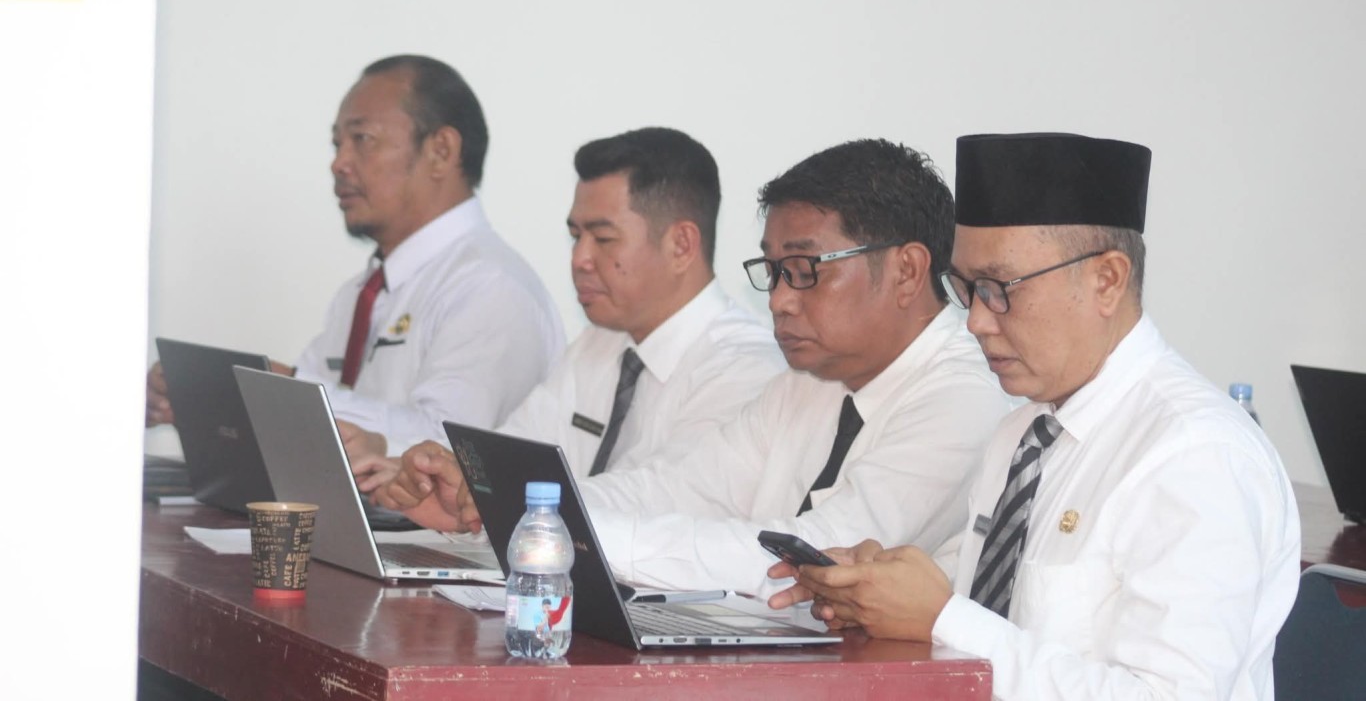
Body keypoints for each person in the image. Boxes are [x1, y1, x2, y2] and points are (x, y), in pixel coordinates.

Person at [771, 133, 1300, 701]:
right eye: (965, 289)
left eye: (999, 289)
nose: (976, 321)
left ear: (1106, 280)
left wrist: (942, 618)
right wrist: (878, 591)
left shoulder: (1195, 455)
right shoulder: (1022, 434)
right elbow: (998, 615)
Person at [393, 139, 1009, 598]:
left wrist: (552, 528)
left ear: (906, 270)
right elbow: (674, 488)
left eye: (803, 271)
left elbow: (816, 558)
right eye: (772, 272)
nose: (779, 300)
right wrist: (507, 508)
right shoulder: (805, 386)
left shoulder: (962, 399)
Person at [146, 55, 565, 459]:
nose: (339, 163)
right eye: (337, 144)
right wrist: (206, 403)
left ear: (441, 150)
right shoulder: (363, 293)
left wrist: (290, 389)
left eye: (362, 140)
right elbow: (304, 430)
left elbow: (447, 449)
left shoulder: (491, 287)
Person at [367, 127, 786, 506]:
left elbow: (662, 498)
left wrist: (498, 487)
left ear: (681, 245)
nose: (580, 258)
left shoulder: (745, 368)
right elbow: (510, 454)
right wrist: (444, 478)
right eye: (575, 236)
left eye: (603, 238)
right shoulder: (598, 343)